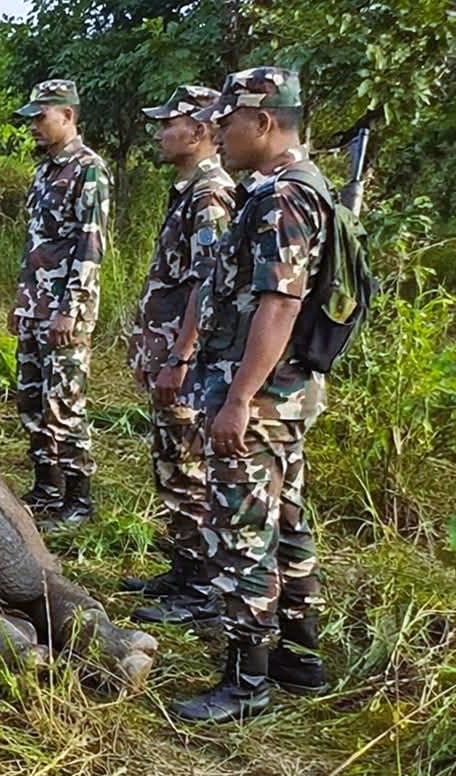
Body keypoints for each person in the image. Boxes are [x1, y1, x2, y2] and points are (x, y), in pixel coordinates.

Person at [170, 68, 333, 723]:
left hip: (261, 399)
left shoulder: (282, 198)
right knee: (287, 522)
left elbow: (279, 304)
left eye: (228, 121)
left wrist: (238, 399)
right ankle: (301, 657)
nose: (219, 134)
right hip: (283, 396)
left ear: (263, 122)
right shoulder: (292, 188)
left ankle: (247, 681)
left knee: (243, 533)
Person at [122, 86, 236, 624]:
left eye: (169, 122)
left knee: (189, 469)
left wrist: (182, 356)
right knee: (173, 465)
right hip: (169, 353)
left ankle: (202, 592)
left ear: (199, 129)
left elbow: (207, 283)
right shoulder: (188, 190)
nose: (160, 131)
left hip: (184, 361)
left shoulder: (210, 194)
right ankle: (184, 568)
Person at [10, 79, 112, 526]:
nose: (33, 125)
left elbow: (91, 246)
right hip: (35, 304)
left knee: (65, 401)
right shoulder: (44, 170)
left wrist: (70, 308)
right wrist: (21, 301)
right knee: (31, 398)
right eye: (31, 117)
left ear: (67, 115)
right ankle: (46, 486)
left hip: (65, 310)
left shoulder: (88, 169)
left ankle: (78, 498)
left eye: (41, 116)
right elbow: (36, 245)